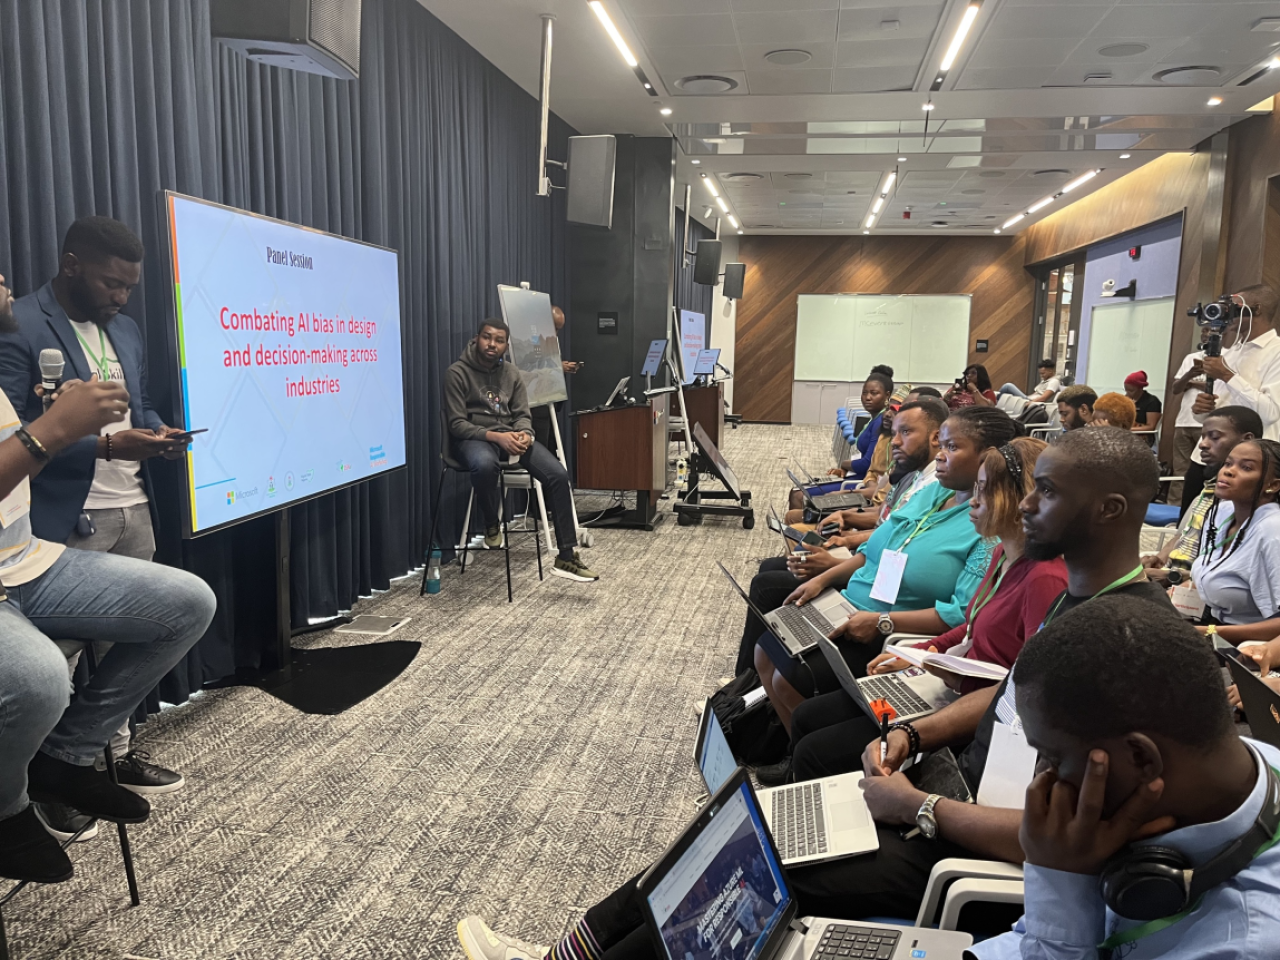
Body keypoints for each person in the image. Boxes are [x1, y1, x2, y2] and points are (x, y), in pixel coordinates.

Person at [453, 432, 1175, 960]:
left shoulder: (1126, 646)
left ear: (1110, 509)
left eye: (1047, 492)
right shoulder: (1075, 602)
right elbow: (999, 697)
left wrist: (917, 808)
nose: (1025, 505)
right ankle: (570, 952)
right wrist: (914, 737)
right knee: (739, 822)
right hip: (937, 784)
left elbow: (1058, 836)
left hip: (958, 844)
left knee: (748, 860)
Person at [0, 270, 217, 884]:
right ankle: (6, 808)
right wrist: (51, 429)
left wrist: (96, 440)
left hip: (24, 559)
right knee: (40, 678)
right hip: (41, 549)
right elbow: (33, 446)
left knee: (188, 602)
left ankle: (64, 759)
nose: (5, 281)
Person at [972, 597, 1280, 960]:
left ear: (1140, 758)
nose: (1043, 779)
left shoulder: (1242, 945)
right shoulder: (1241, 760)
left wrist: (1058, 878)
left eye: (1053, 758)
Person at [756, 407, 1018, 738]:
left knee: (788, 677)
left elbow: (960, 615)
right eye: (942, 445)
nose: (940, 454)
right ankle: (784, 739)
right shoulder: (936, 491)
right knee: (764, 650)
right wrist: (822, 579)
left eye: (952, 447)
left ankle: (802, 746)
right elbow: (876, 548)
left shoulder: (987, 527)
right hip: (851, 604)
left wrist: (881, 621)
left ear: (988, 457)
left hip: (888, 629)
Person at [733, 399, 947, 677]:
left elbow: (899, 556)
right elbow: (884, 527)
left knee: (767, 584)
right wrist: (845, 528)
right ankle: (749, 681)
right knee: (780, 563)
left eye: (906, 432)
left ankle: (746, 681)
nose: (896, 440)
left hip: (874, 590)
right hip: (867, 568)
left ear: (936, 437)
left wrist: (836, 560)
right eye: (896, 432)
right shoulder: (917, 478)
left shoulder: (937, 489)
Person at [864, 437, 1068, 695]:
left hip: (981, 705)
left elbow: (1027, 687)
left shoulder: (1044, 579)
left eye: (984, 490)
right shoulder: (1001, 554)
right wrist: (918, 653)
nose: (973, 501)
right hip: (960, 686)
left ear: (1020, 499)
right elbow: (973, 627)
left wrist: (960, 681)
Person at [445, 319, 598, 582]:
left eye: (499, 340)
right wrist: (496, 437)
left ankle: (565, 555)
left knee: (558, 475)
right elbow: (456, 424)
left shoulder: (512, 373)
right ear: (476, 339)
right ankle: (491, 522)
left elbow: (522, 416)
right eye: (487, 337)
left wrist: (525, 435)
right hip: (474, 439)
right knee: (485, 465)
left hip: (510, 437)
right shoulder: (456, 373)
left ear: (506, 346)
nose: (492, 344)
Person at [1141, 405, 1262, 577]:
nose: (1202, 444)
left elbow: (1233, 573)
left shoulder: (1247, 501)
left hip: (1195, 586)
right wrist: (1159, 559)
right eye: (1203, 437)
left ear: (1247, 440)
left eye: (1214, 437)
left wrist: (1173, 577)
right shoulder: (1211, 487)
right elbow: (1185, 535)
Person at [1189, 438, 1280, 645]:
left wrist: (1208, 632)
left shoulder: (1273, 531)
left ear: (1273, 485)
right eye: (1228, 463)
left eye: (1246, 467)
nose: (1228, 471)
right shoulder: (1222, 512)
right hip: (1214, 629)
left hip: (1253, 647)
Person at [1192, 283, 1280, 441]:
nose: (1227, 314)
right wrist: (1201, 411)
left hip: (1250, 449)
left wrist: (1227, 375)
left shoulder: (1276, 351)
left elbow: (1271, 413)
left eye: (1233, 308)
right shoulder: (1231, 352)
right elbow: (1217, 409)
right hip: (1212, 446)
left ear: (1256, 309)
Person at [1167, 328, 1213, 503]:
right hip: (1183, 422)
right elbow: (1176, 388)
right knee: (1180, 470)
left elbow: (1216, 387)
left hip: (1207, 425)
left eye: (1211, 330)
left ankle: (1200, 507)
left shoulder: (1225, 358)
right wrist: (1189, 375)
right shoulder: (1191, 358)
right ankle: (1175, 508)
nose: (1205, 334)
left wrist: (1192, 383)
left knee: (1204, 471)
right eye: (1204, 330)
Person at [529, 305, 580, 454]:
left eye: (558, 330)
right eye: (554, 328)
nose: (556, 334)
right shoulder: (530, 340)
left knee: (551, 448)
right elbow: (528, 370)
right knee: (539, 451)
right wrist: (558, 367)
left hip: (549, 403)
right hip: (535, 405)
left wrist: (562, 367)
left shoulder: (550, 342)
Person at [1123, 370, 1162, 438]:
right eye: (1126, 390)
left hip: (1144, 437)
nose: (1127, 393)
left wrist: (1127, 430)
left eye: (1131, 390)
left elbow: (1151, 427)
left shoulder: (1152, 401)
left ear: (1140, 388)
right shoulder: (1126, 401)